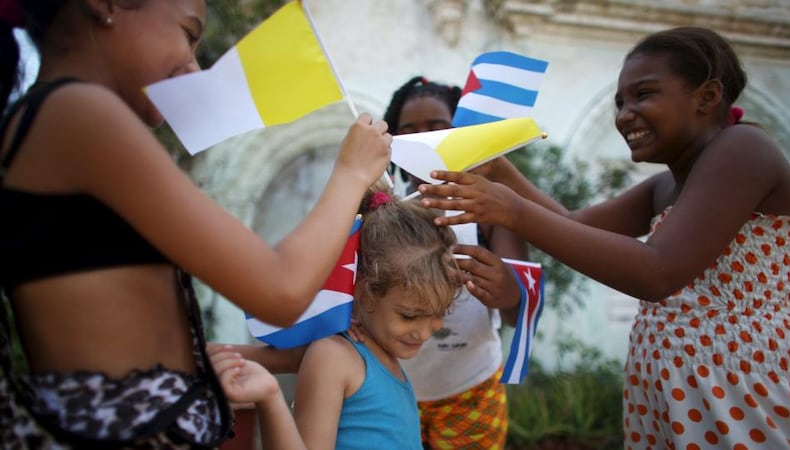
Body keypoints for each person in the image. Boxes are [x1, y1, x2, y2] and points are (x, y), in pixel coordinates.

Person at [0, 0, 391, 447]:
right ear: (107, 6)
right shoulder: (78, 111)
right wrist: (351, 174)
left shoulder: (59, 117)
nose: (193, 65)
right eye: (188, 34)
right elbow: (281, 290)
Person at [418, 27, 790, 449]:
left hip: (739, 389)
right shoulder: (664, 187)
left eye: (643, 95)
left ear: (707, 97)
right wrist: (502, 170)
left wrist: (511, 209)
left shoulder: (744, 149)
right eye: (620, 101)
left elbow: (657, 271)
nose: (624, 114)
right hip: (676, 393)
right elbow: (572, 224)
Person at [383, 76, 528, 449]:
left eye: (438, 128)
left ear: (460, 135)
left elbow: (518, 312)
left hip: (472, 391)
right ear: (392, 144)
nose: (425, 139)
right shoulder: (382, 217)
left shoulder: (493, 211)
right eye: (409, 131)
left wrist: (508, 290)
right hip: (394, 390)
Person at [292, 182, 463, 450]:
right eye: (409, 316)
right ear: (365, 292)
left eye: (439, 314)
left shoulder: (386, 360)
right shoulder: (334, 358)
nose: (425, 332)